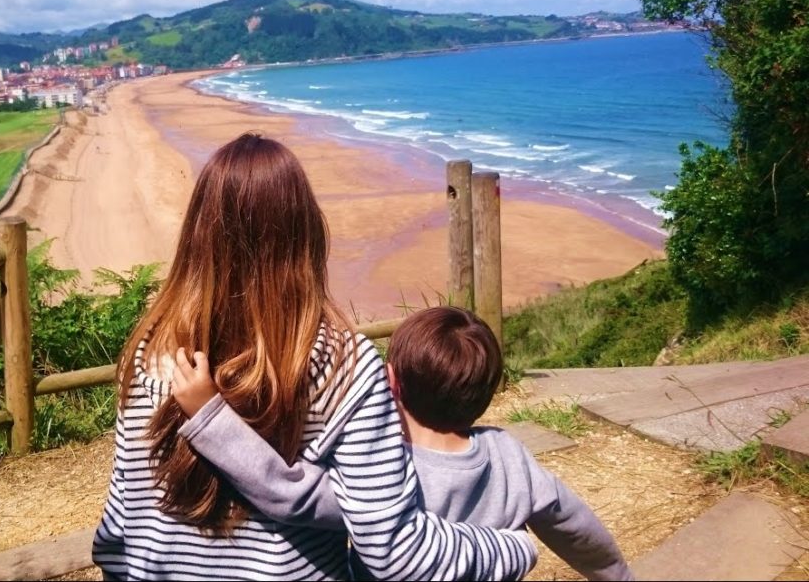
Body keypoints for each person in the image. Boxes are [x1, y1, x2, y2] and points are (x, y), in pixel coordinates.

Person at [91, 132, 537, 580]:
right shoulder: (345, 367)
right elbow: (396, 553)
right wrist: (512, 549)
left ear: (198, 235)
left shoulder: (152, 351)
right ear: (307, 233)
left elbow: (119, 525)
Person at [171, 306, 633, 581]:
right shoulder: (511, 457)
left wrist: (213, 418)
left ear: (389, 382)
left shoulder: (379, 469)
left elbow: (286, 491)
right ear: (488, 390)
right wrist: (616, 575)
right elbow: (574, 524)